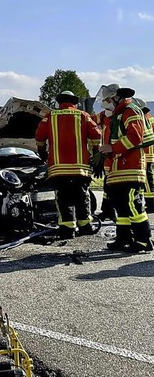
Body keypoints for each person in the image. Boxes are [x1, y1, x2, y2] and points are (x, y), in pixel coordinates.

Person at [35, 91, 101, 239]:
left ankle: (67, 229)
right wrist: (97, 152)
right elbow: (96, 135)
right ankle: (85, 226)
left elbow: (39, 136)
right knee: (82, 196)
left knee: (63, 199)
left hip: (58, 168)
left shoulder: (50, 117)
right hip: (81, 168)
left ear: (59, 103)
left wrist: (42, 151)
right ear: (74, 102)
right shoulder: (83, 116)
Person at [98, 84, 153, 252]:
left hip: (130, 167)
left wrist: (112, 148)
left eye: (108, 99)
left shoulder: (131, 110)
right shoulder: (117, 114)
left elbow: (135, 138)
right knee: (120, 206)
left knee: (132, 204)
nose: (107, 103)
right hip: (117, 169)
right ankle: (124, 238)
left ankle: (144, 240)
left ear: (117, 97)